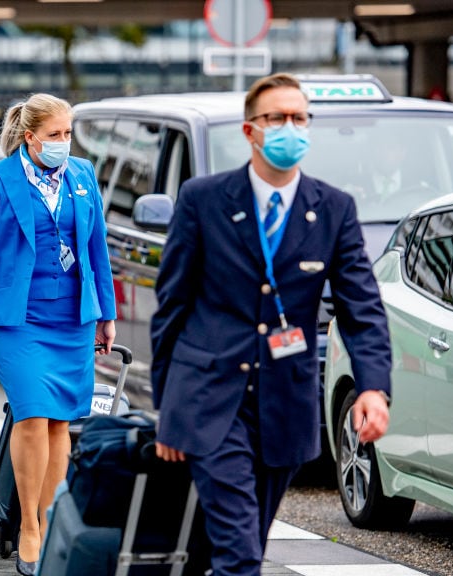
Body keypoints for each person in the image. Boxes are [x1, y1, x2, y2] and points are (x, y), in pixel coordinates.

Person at [150, 73, 392, 576]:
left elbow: (361, 307)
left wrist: (373, 388)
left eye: (299, 118)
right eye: (276, 118)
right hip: (210, 398)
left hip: (285, 403)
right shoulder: (204, 199)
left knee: (244, 542)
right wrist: (167, 409)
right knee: (239, 554)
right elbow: (170, 308)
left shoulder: (332, 208)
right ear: (249, 131)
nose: (290, 128)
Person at [0, 93, 117, 576]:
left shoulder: (81, 176)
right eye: (56, 134)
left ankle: (50, 517)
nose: (64, 142)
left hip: (73, 319)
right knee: (34, 414)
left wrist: (106, 313)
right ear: (30, 136)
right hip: (17, 321)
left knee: (61, 422)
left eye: (68, 133)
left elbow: (97, 248)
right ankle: (30, 530)